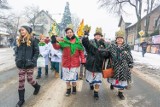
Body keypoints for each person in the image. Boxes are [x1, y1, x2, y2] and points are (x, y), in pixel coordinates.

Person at [51, 27, 86, 96]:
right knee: (67, 78)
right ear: (66, 34)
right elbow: (56, 47)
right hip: (65, 63)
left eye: (70, 32)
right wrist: (53, 41)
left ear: (73, 33)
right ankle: (68, 90)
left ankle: (74, 88)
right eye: (67, 33)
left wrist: (83, 59)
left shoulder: (78, 41)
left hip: (75, 63)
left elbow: (81, 52)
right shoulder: (63, 41)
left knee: (73, 77)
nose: (69, 34)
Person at [15, 26, 40, 107]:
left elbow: (36, 52)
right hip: (21, 64)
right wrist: (17, 59)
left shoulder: (33, 40)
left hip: (29, 64)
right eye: (20, 30)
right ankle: (21, 100)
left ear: (27, 31)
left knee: (30, 79)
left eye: (23, 30)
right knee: (21, 82)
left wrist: (32, 61)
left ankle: (37, 86)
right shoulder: (19, 40)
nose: (21, 31)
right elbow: (16, 51)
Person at [82, 28, 110, 100]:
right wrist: (85, 36)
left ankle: (96, 93)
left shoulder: (105, 44)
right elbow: (85, 43)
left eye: (99, 35)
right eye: (96, 35)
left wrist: (105, 53)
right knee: (90, 79)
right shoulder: (90, 42)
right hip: (90, 63)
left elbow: (108, 54)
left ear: (101, 36)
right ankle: (91, 84)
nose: (98, 36)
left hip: (99, 64)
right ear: (94, 36)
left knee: (97, 81)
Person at [107, 30, 133, 100]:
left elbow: (130, 56)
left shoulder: (127, 47)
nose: (120, 40)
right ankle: (112, 84)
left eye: (121, 39)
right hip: (113, 65)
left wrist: (130, 64)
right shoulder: (112, 46)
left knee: (122, 80)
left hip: (123, 66)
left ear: (123, 40)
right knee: (113, 78)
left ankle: (120, 93)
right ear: (116, 40)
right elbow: (107, 54)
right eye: (118, 39)